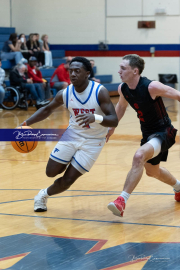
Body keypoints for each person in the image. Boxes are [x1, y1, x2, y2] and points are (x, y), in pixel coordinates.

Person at [20, 56, 118, 212]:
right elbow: (47, 109)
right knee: (51, 172)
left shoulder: (100, 92)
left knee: (68, 180)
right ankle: (71, 157)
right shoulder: (65, 93)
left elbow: (114, 120)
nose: (72, 74)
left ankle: (42, 195)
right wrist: (26, 123)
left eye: (77, 71)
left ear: (87, 73)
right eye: (70, 71)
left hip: (93, 141)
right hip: (72, 135)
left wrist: (95, 118)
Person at [106, 54, 180, 218]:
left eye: (123, 68)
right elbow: (121, 107)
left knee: (139, 156)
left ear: (135, 71)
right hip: (149, 135)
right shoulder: (123, 88)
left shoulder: (151, 86)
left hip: (164, 132)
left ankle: (121, 201)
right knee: (152, 172)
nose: (119, 71)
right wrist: (111, 128)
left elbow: (178, 95)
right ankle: (179, 188)